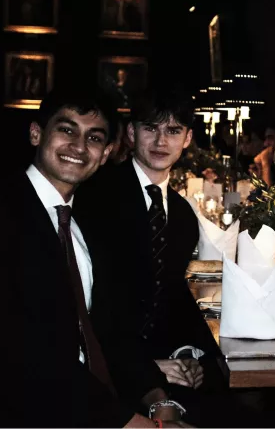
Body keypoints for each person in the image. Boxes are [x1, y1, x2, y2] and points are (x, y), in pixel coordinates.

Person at [0, 87, 187, 427]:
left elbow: (110, 330)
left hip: (98, 401)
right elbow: (13, 351)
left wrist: (158, 401)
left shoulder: (87, 223)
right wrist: (129, 423)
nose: (78, 146)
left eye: (93, 137)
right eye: (66, 129)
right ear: (36, 133)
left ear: (105, 154)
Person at [74, 88, 226, 426]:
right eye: (150, 128)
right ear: (131, 133)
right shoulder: (95, 196)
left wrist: (193, 357)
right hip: (107, 372)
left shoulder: (184, 215)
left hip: (160, 365)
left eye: (173, 131)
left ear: (187, 138)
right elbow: (101, 307)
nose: (161, 140)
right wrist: (150, 371)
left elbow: (171, 297)